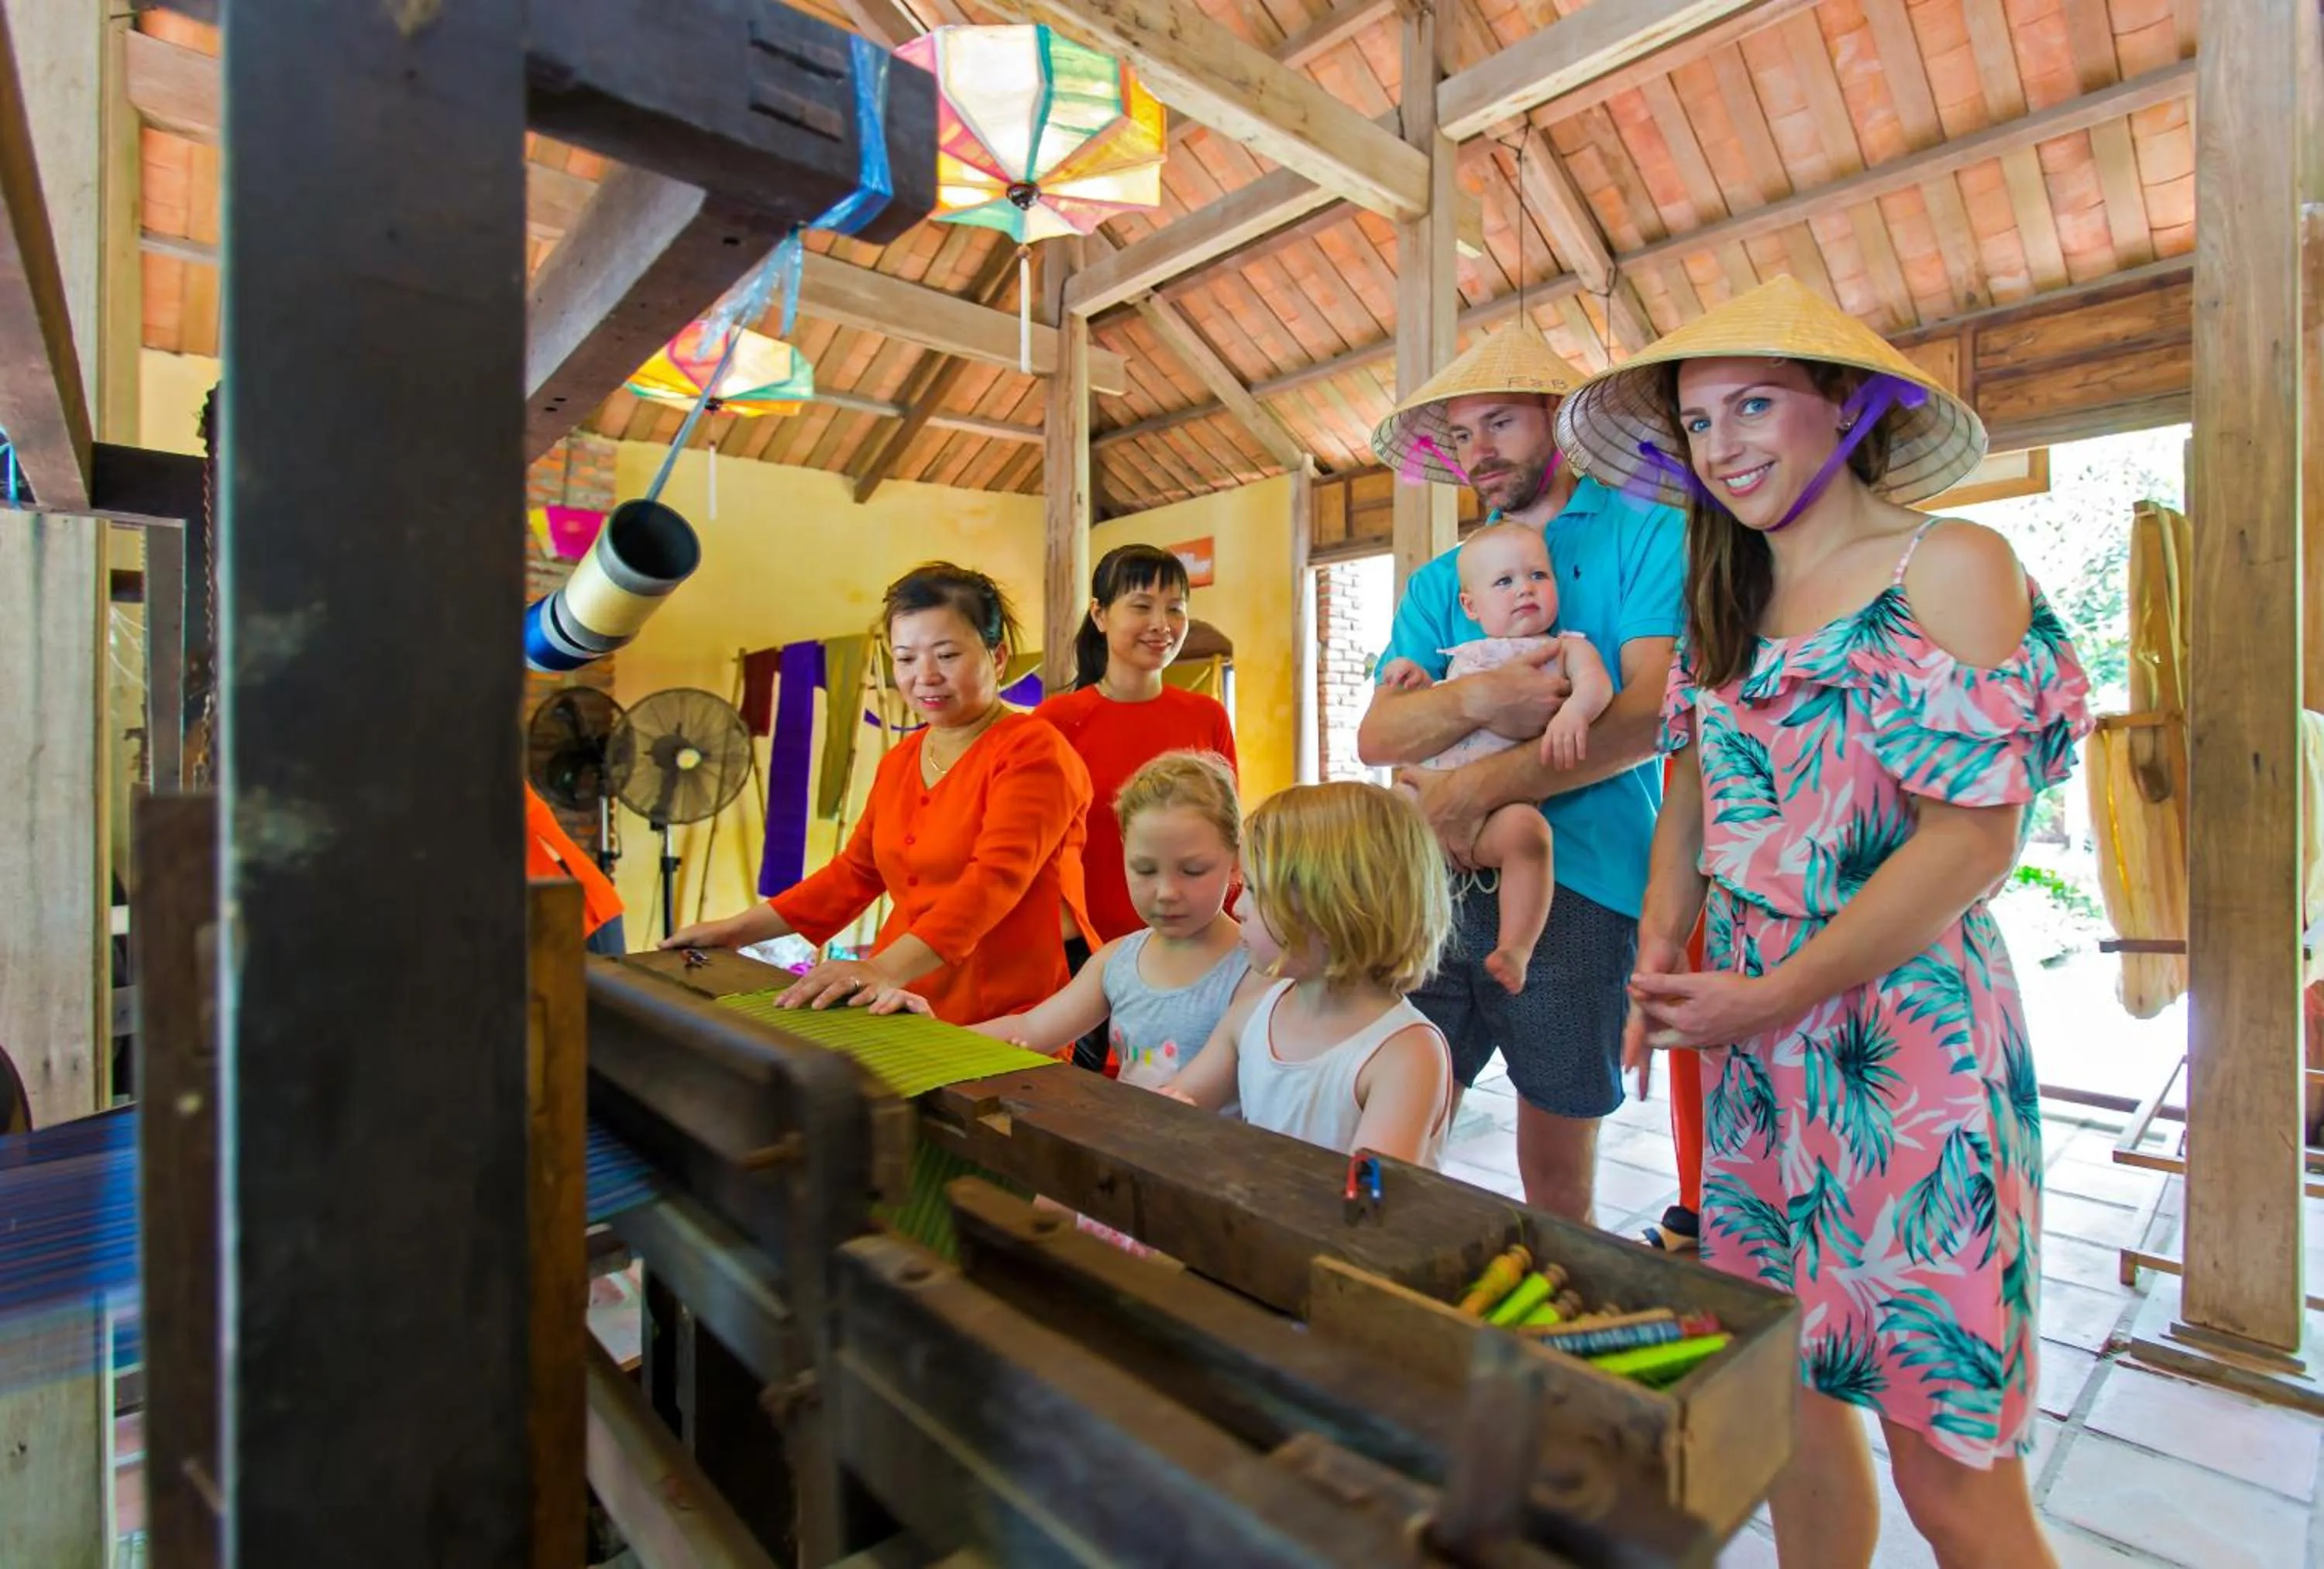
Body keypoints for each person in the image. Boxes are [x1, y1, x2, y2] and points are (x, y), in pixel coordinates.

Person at [1563, 276, 2089, 1568]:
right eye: (1699, 420)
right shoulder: (1722, 593)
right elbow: (1693, 794)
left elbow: (1972, 840)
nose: (1723, 444)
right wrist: (1657, 950)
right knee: (1786, 1412)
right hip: (1752, 1052)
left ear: (1849, 409)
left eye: (1755, 404)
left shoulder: (1947, 565)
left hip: (1905, 1045)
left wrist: (1780, 990)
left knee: (1948, 1468)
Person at [1359, 321, 1686, 1221]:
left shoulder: (1650, 533)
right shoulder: (1446, 578)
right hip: (1434, 883)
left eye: (1500, 422)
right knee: (1402, 1129)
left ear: (1558, 415)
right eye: (1462, 434)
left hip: (1585, 881)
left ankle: (1557, 1303)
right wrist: (1482, 697)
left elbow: (1649, 713)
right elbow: (1381, 734)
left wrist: (1473, 785)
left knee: (1557, 1173)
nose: (1479, 452)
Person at [663, 563, 1095, 1025]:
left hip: (1005, 1006)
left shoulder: (1034, 751)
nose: (925, 676)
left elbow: (993, 881)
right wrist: (735, 930)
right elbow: (855, 873)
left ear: (999, 656)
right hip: (903, 996)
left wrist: (880, 969)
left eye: (947, 655)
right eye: (906, 659)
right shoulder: (902, 760)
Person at [873, 750, 1261, 1094]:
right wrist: (932, 1038)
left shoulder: (1257, 969)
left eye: (1193, 871)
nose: (1166, 892)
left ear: (1236, 862)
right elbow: (1027, 1032)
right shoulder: (1118, 962)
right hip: (1133, 1146)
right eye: (1145, 870)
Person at [1160, 781, 1454, 1169]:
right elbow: (1177, 1105)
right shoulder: (1251, 1015)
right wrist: (1168, 1115)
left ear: (1331, 910)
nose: (1238, 907)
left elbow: (1370, 1195)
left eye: (1255, 890)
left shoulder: (1405, 1055)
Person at [1377, 521, 1612, 994]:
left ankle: (1515, 947)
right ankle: (1385, 927)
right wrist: (1416, 682)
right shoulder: (1465, 654)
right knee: (1381, 817)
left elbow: (1597, 685)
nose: (1525, 589)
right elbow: (1439, 709)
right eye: (1505, 581)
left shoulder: (1565, 648)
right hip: (1431, 796)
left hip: (1501, 807)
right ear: (1471, 607)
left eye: (1538, 576)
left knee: (1530, 834)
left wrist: (1576, 713)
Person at [1037, 544, 1239, 1071]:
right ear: (1100, 614)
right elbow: (1035, 847)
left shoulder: (1207, 715)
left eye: (1175, 608)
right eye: (1142, 606)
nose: (1162, 624)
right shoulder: (1057, 721)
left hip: (1190, 948)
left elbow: (1226, 834)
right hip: (1085, 952)